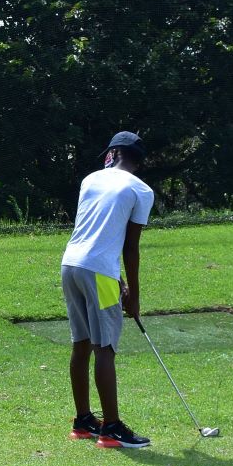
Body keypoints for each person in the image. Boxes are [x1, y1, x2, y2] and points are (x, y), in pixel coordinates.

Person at [61, 132, 155, 450]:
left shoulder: (90, 179)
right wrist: (135, 296)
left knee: (82, 343)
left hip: (71, 265)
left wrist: (118, 283)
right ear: (138, 161)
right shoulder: (141, 190)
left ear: (113, 154)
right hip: (98, 271)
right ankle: (111, 428)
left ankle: (83, 421)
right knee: (105, 348)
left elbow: (94, 234)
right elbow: (130, 247)